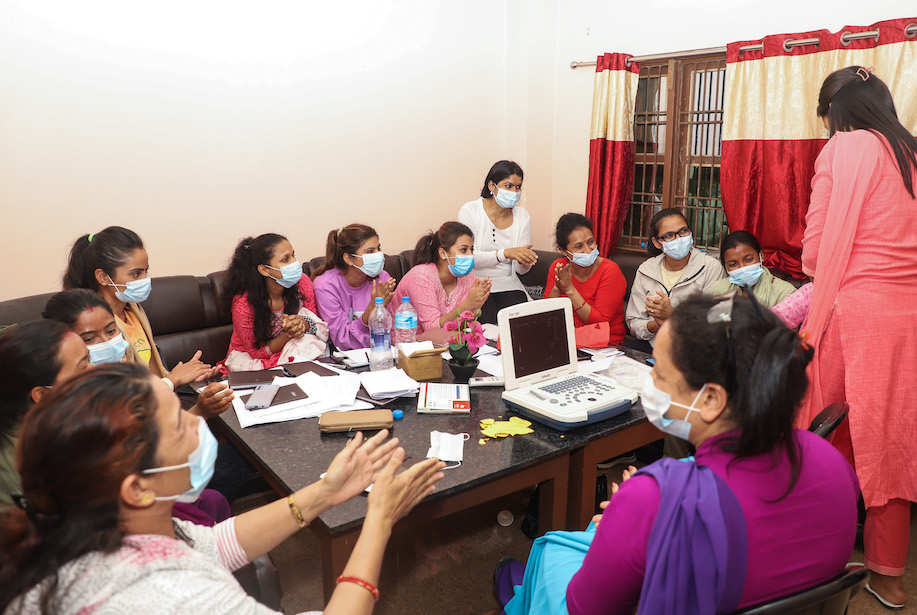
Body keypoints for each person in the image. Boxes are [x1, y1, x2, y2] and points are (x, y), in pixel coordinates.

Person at [497, 293, 859, 614]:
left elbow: (586, 607)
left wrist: (630, 517)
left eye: (660, 374)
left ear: (712, 399)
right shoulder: (831, 461)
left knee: (553, 549)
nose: (649, 383)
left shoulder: (654, 498)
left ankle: (524, 594)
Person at [0, 363, 446, 614]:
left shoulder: (91, 530)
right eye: (181, 425)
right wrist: (379, 521)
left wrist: (325, 492)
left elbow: (214, 544)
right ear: (136, 488)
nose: (198, 428)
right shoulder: (171, 599)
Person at [801, 65, 917, 609]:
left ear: (835, 114)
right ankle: (889, 575)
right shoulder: (913, 153)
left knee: (835, 436)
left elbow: (817, 253)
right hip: (910, 319)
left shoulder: (844, 150)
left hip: (856, 318)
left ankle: (816, 558)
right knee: (893, 439)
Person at [63, 227, 232, 418]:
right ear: (103, 277)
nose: (145, 280)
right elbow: (120, 395)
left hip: (161, 402)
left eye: (145, 271)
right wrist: (175, 380)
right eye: (136, 274)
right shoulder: (96, 331)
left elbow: (149, 371)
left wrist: (185, 376)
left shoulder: (133, 309)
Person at [0, 320, 90, 504]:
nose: (94, 371)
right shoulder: (32, 467)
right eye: (83, 368)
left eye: (90, 359)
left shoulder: (64, 421)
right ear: (41, 394)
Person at [221, 233, 329, 371]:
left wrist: (303, 324)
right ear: (265, 270)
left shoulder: (302, 282)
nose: (295, 263)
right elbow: (256, 353)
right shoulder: (243, 302)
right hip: (252, 359)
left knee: (309, 343)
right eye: (285, 259)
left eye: (293, 255)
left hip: (291, 348)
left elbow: (314, 323)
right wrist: (290, 333)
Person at [625, 208, 725, 347]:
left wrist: (672, 315)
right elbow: (634, 322)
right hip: (653, 347)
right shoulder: (646, 270)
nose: (679, 238)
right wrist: (657, 324)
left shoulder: (710, 268)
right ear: (657, 242)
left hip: (694, 351)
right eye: (669, 235)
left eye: (683, 231)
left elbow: (715, 323)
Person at [458, 161, 537, 324]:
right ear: (492, 186)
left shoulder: (523, 216)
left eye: (518, 187)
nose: (514, 192)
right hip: (476, 283)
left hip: (509, 283)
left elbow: (521, 271)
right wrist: (505, 253)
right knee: (487, 322)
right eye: (508, 186)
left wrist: (525, 261)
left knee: (520, 323)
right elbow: (467, 258)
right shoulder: (470, 211)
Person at [392, 222, 491, 345]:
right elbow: (432, 329)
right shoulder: (421, 277)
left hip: (447, 344)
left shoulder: (468, 278)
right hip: (407, 345)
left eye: (471, 250)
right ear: (443, 253)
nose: (470, 255)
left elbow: (463, 326)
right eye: (463, 250)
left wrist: (476, 307)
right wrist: (468, 304)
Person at [542, 213, 626, 346]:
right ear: (563, 251)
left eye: (590, 242)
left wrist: (570, 290)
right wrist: (558, 287)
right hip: (566, 341)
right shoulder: (558, 268)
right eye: (579, 246)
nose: (588, 250)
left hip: (604, 346)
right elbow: (545, 317)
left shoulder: (610, 271)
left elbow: (600, 324)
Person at [312, 224, 396, 351]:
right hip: (343, 359)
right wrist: (373, 308)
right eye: (370, 251)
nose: (379, 255)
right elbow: (343, 341)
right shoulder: (325, 286)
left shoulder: (382, 278)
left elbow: (389, 331)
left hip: (381, 352)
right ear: (349, 259)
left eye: (378, 249)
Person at [705, 230, 796, 307]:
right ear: (725, 267)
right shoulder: (719, 289)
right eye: (733, 264)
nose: (742, 267)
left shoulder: (784, 293)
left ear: (761, 256)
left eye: (749, 260)